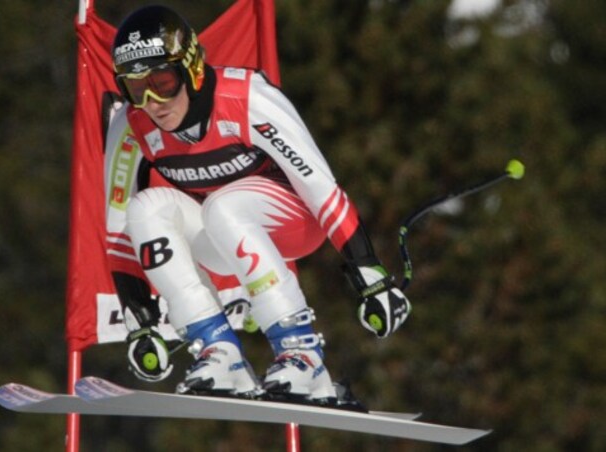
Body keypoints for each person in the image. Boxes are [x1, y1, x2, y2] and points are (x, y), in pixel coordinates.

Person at [102, 5, 411, 409]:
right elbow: (118, 230)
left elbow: (321, 188)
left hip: (294, 220)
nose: (153, 102)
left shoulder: (247, 98)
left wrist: (370, 276)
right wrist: (140, 322)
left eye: (162, 80)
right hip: (223, 238)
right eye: (135, 88)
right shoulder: (130, 125)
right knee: (145, 208)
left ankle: (303, 355)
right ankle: (218, 352)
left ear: (192, 68)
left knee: (222, 206)